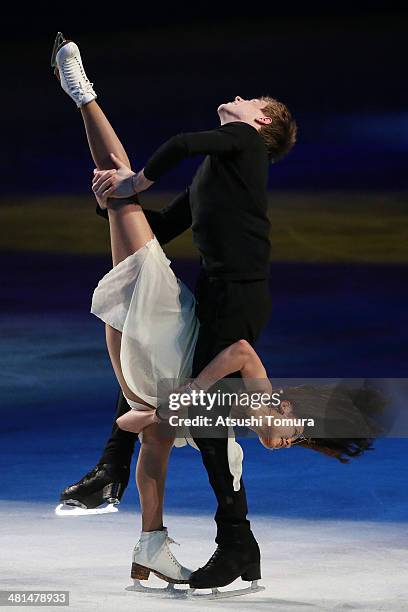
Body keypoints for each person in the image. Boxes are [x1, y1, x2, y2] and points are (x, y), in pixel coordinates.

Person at [52, 33, 302, 591]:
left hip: (180, 335)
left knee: (161, 435)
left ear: (264, 123)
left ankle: (154, 538)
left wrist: (128, 191)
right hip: (199, 317)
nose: (240, 96)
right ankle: (82, 91)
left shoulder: (244, 143)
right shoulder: (233, 156)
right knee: (121, 192)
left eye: (253, 100)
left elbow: (184, 144)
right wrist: (120, 198)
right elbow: (163, 223)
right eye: (279, 427)